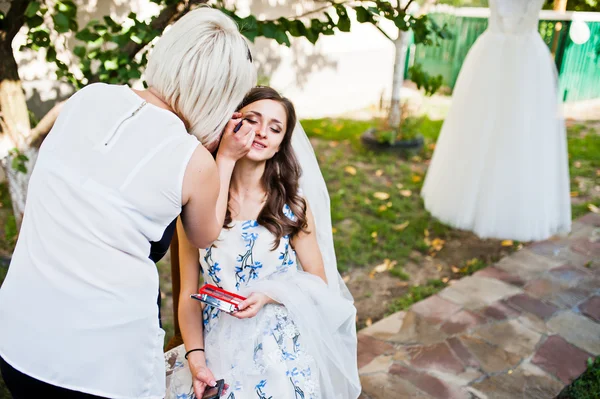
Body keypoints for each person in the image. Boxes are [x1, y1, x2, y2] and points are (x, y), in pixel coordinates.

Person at [0, 7, 257, 399]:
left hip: (17, 341)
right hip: (100, 365)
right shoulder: (193, 160)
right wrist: (225, 159)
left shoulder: (88, 97)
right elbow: (204, 235)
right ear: (221, 95)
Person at [164, 87, 361, 399]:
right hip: (216, 344)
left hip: (278, 350)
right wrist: (197, 360)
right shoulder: (195, 207)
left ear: (282, 143)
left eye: (275, 128)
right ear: (233, 124)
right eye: (252, 120)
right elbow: (188, 296)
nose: (261, 133)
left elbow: (318, 283)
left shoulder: (291, 207)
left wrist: (269, 295)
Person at [421, 0, 571, 241]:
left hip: (525, 63)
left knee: (522, 127)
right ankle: (470, 200)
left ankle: (511, 207)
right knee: (476, 126)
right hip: (491, 59)